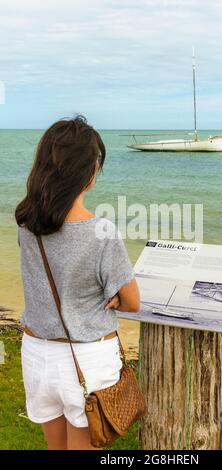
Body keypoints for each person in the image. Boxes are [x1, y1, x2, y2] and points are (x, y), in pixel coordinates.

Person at [15, 115, 140, 450]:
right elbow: (132, 302)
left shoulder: (26, 225)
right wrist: (112, 293)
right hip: (87, 359)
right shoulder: (101, 233)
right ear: (89, 174)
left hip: (37, 354)